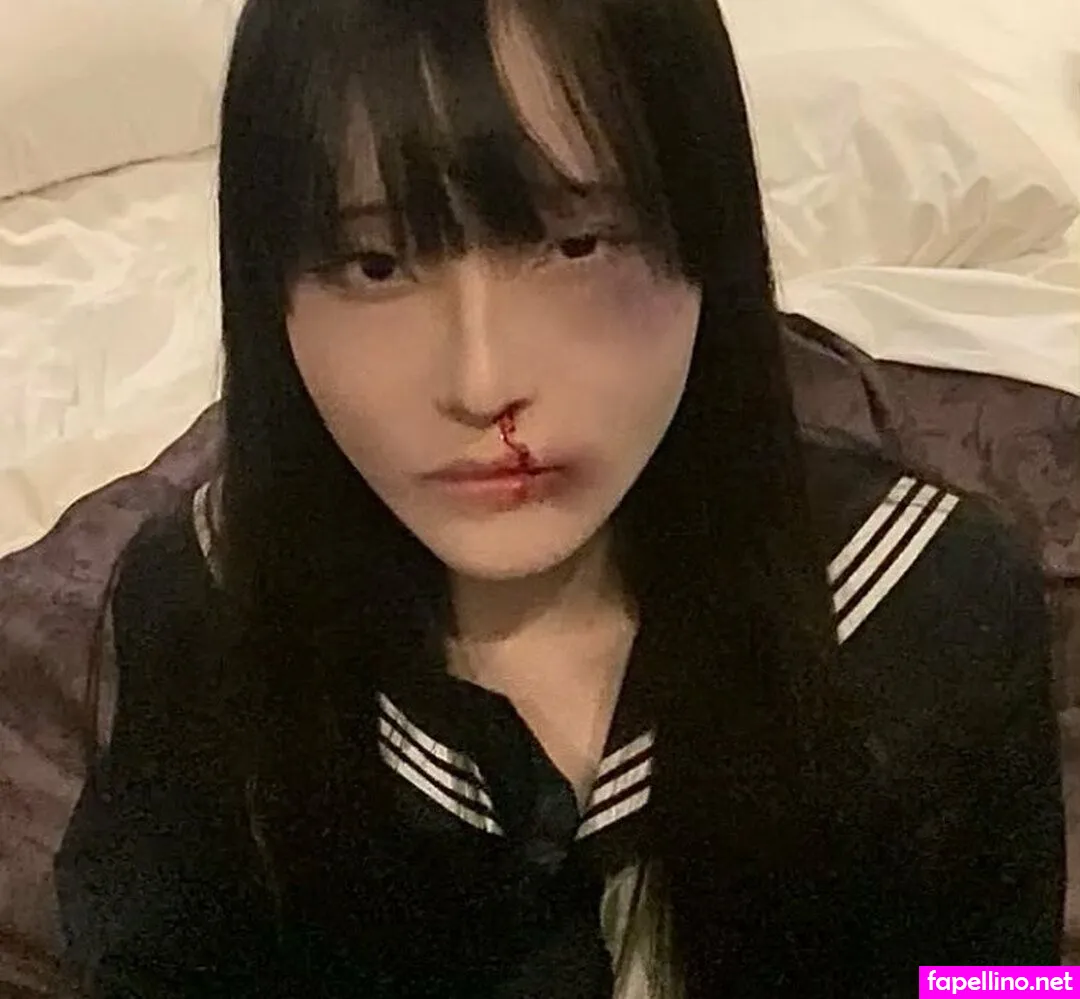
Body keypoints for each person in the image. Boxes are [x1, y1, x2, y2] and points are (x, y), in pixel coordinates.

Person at [53, 0, 1064, 995]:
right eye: (376, 262)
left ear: (708, 233)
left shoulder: (932, 609)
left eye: (579, 244)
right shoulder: (208, 610)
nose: (483, 381)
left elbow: (995, 983)